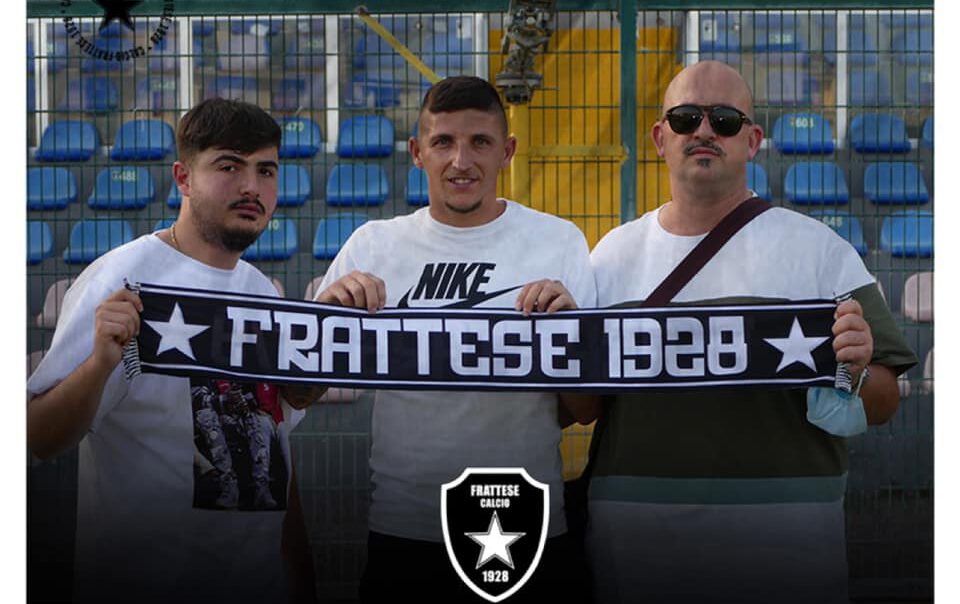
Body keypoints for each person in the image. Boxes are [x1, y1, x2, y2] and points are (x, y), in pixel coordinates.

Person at [584, 61, 918, 604]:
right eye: (686, 118)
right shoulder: (610, 257)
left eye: (724, 120)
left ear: (753, 140)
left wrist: (854, 375)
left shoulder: (820, 251)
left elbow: (884, 399)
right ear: (660, 137)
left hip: (786, 556)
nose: (704, 131)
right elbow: (582, 405)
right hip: (639, 553)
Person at [313, 75, 597, 602]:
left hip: (526, 521)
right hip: (404, 522)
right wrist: (326, 316)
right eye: (443, 142)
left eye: (479, 142)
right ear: (417, 152)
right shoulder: (372, 246)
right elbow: (300, 392)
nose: (461, 161)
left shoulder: (558, 241)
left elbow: (586, 409)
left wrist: (569, 337)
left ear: (507, 151)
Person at [27, 98, 316, 604]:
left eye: (266, 170)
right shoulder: (121, 277)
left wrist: (301, 581)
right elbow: (36, 436)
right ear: (183, 178)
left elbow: (273, 453)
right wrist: (99, 364)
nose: (252, 186)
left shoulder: (262, 292)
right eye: (229, 166)